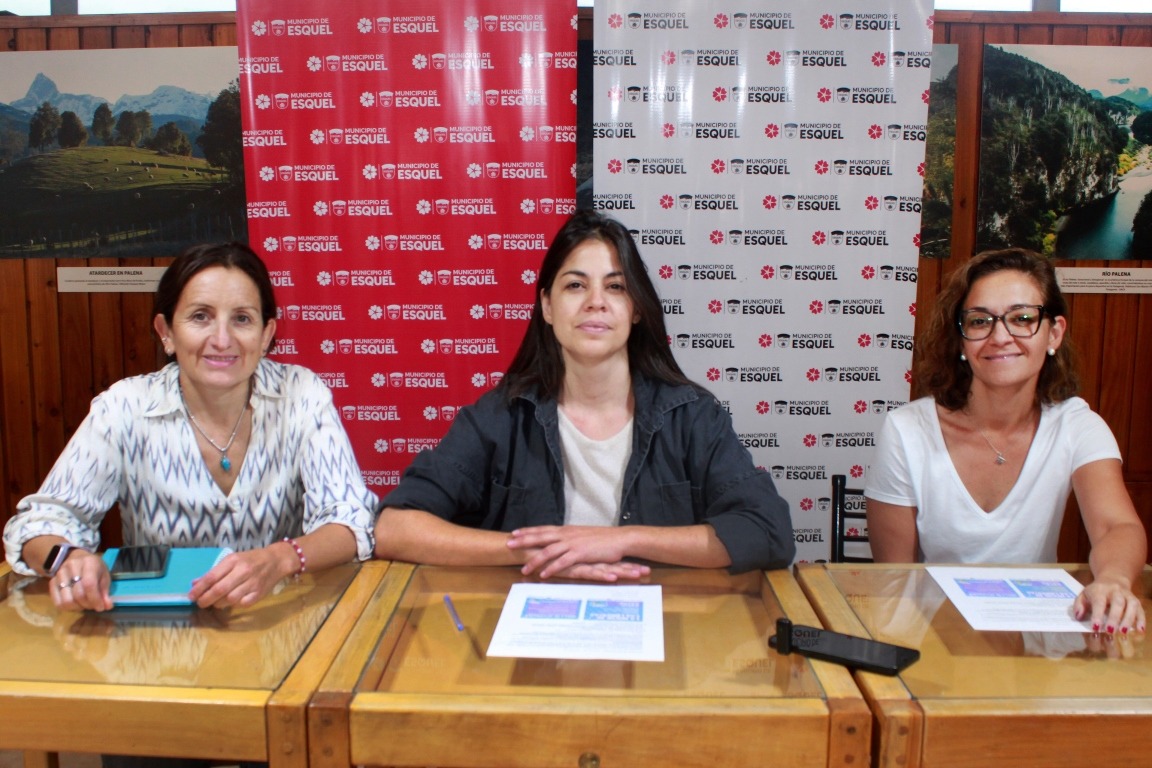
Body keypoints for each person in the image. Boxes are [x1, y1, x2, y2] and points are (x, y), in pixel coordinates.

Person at [375, 210, 795, 580]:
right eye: (575, 286)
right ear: (547, 306)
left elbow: (769, 532)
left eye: (615, 287)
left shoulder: (692, 417)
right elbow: (395, 528)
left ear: (636, 309)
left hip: (665, 636)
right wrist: (534, 551)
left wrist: (621, 540)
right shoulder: (501, 416)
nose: (596, 302)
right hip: (531, 638)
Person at [4, 242, 379, 614]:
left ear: (266, 335)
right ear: (166, 331)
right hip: (155, 637)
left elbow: (350, 520)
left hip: (275, 621)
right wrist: (67, 559)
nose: (221, 339)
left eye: (242, 319)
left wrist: (280, 559)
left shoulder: (301, 394)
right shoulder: (126, 406)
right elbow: (41, 522)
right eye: (200, 316)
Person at [865, 247, 1146, 635]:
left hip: (1038, 642)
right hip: (932, 639)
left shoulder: (1078, 425)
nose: (1000, 337)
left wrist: (1113, 580)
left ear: (1054, 333)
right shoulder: (906, 429)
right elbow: (894, 581)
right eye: (980, 322)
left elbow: (1117, 527)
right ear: (961, 340)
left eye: (1022, 318)